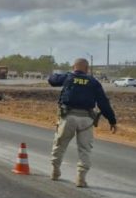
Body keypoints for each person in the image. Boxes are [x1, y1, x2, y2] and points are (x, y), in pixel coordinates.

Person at [48, 58, 117, 187]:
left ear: (74, 67)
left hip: (68, 117)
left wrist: (64, 74)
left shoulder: (68, 77)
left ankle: (55, 171)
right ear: (87, 69)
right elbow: (103, 103)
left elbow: (52, 80)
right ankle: (81, 178)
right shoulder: (93, 82)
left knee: (60, 144)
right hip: (86, 120)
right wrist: (112, 120)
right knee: (85, 149)